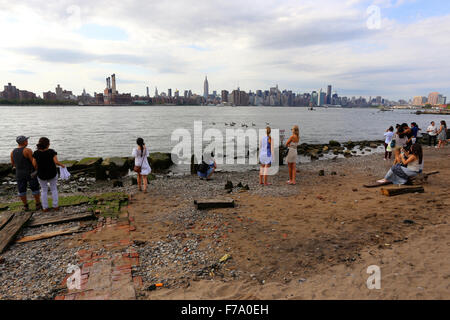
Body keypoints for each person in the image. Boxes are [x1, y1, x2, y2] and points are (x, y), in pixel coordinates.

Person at [32, 137, 65, 212]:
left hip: (41, 174)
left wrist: (38, 168)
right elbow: (56, 162)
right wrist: (62, 165)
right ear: (48, 144)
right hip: (52, 173)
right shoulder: (52, 152)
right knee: (54, 189)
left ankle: (45, 207)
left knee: (43, 190)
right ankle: (55, 206)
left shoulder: (36, 153)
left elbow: (34, 164)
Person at [10, 136, 42, 211]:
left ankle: (25, 206)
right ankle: (37, 204)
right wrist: (37, 169)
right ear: (24, 142)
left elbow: (13, 164)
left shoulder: (12, 152)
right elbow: (33, 162)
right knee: (35, 188)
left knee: (21, 190)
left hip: (19, 173)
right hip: (30, 172)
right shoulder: (27, 150)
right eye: (26, 140)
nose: (27, 141)